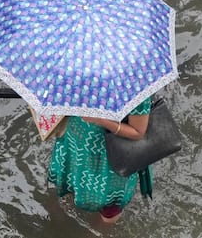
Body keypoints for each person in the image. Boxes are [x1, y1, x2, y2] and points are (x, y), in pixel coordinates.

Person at [48, 96, 151, 224]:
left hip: (109, 156)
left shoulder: (136, 88)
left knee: (109, 205)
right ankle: (72, 201)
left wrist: (102, 120)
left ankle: (102, 229)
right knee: (71, 182)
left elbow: (138, 133)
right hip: (76, 145)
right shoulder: (78, 77)